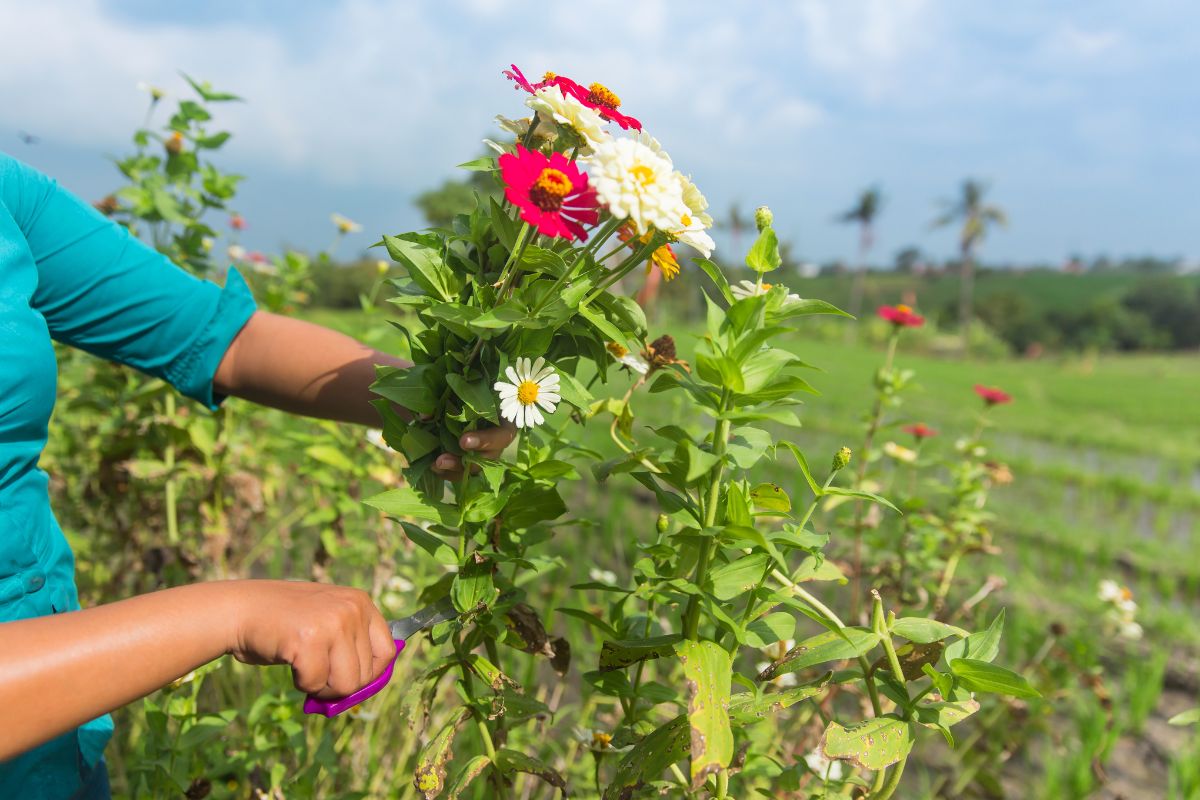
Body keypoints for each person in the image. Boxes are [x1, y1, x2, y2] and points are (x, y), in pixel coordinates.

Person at [0, 151, 515, 797]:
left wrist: (441, 400)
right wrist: (230, 613)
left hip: (59, 715)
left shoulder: (7, 195)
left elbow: (220, 338)